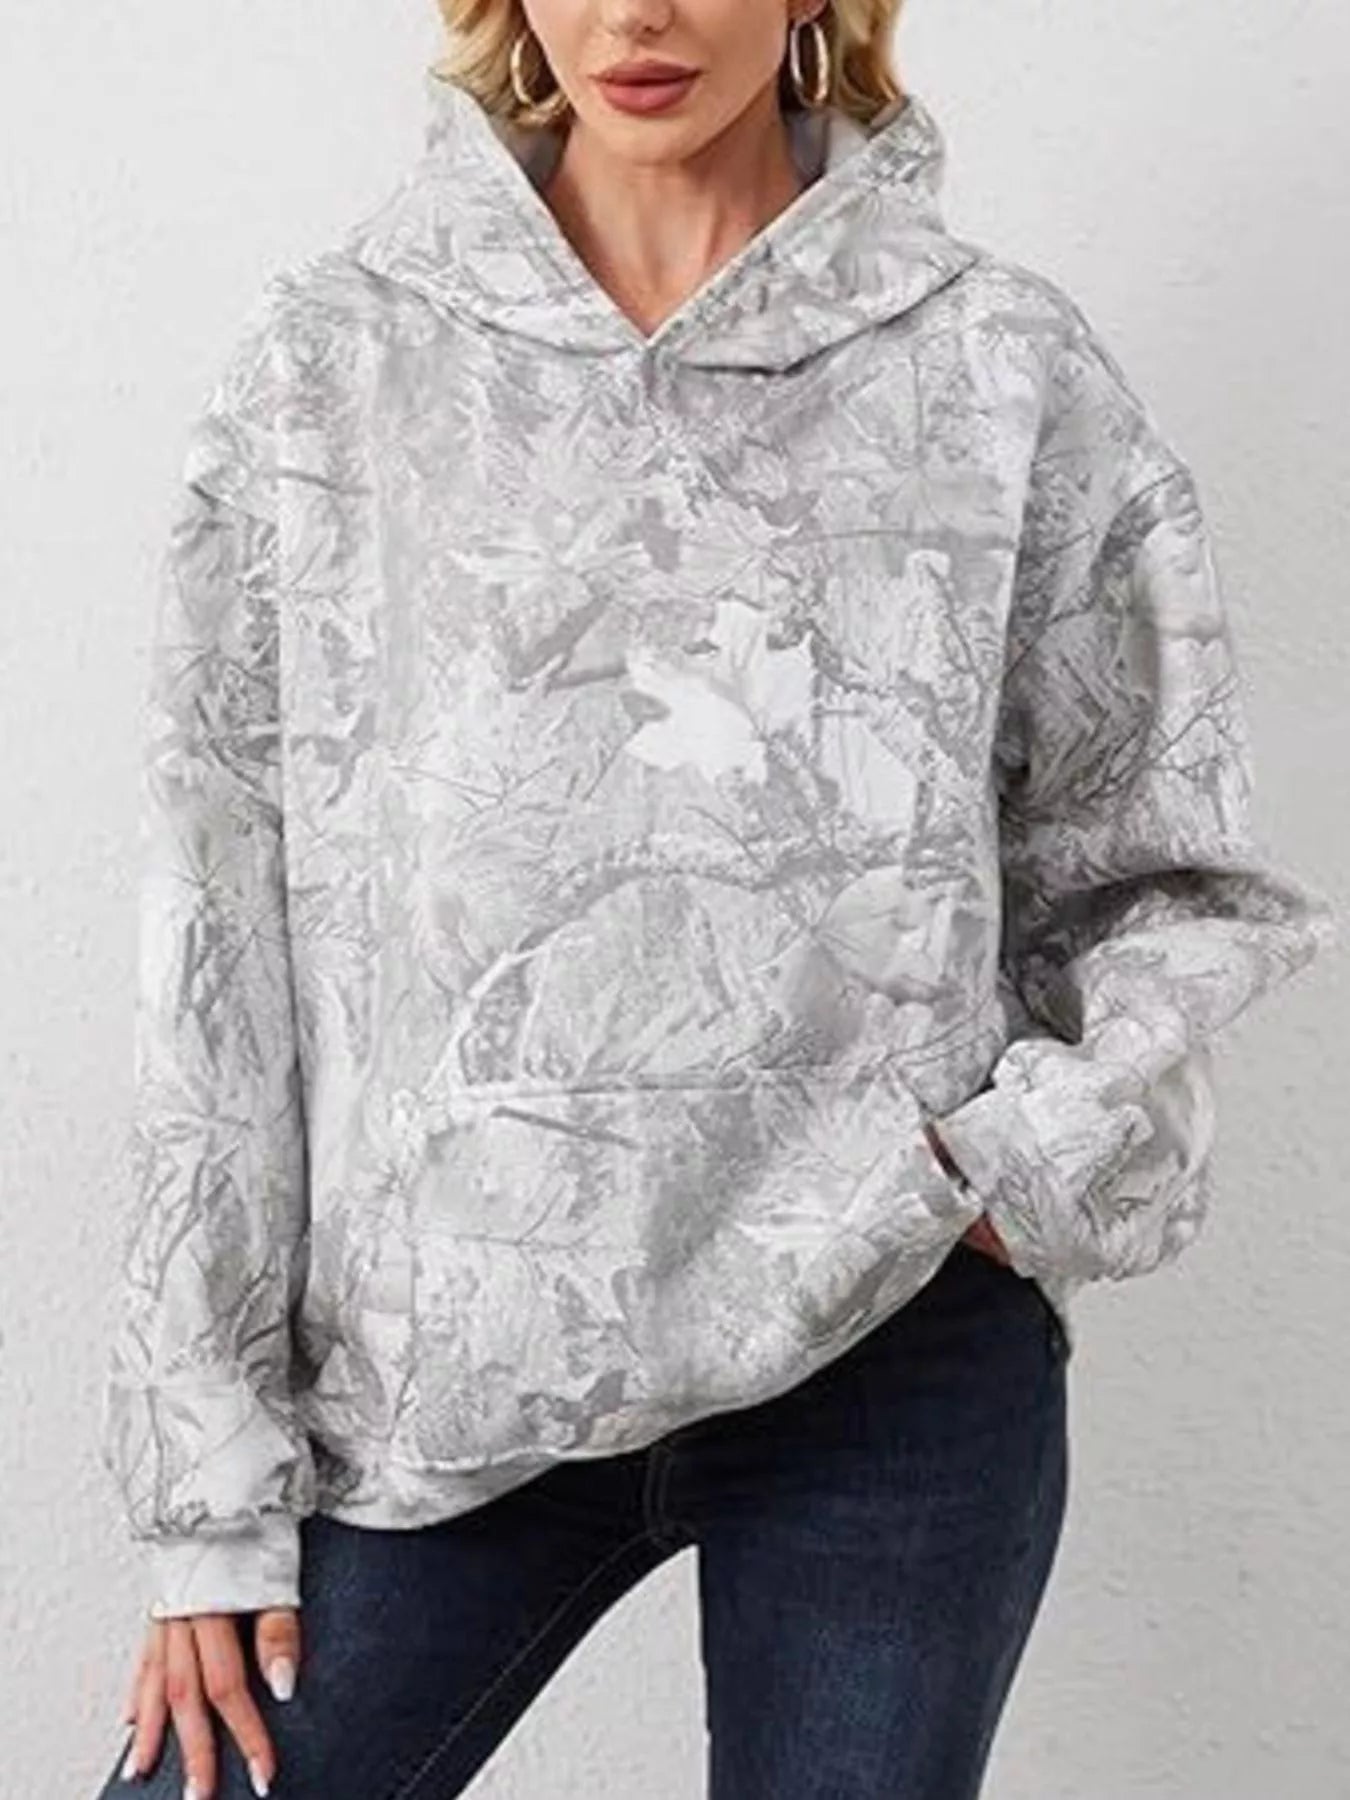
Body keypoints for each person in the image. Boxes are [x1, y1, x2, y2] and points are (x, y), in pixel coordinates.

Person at [93, 0, 1336, 1791]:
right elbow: (218, 934)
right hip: (439, 1380)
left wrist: (1022, 1163)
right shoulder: (338, 358)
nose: (636, 16)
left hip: (886, 1358)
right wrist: (210, 1490)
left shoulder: (994, 364)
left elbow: (1161, 866)